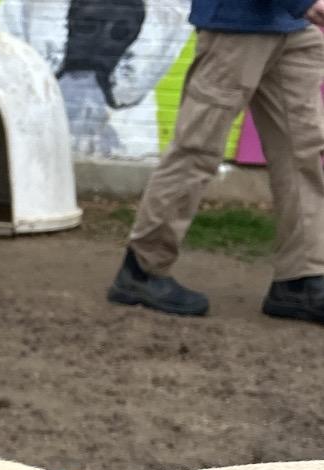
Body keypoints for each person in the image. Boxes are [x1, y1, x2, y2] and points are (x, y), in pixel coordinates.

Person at [108, 0, 324, 323]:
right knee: (197, 148)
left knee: (302, 154)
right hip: (235, 26)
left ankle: (301, 278)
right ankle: (142, 270)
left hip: (294, 30)